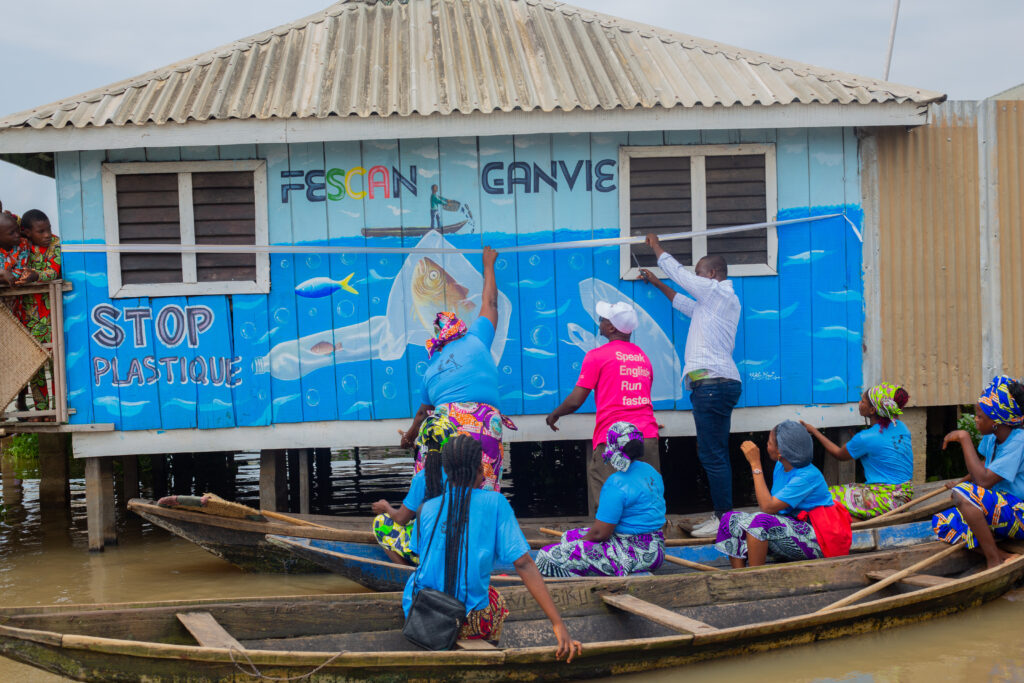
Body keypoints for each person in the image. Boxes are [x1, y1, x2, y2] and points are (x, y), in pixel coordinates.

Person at [404, 434, 582, 658]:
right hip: (464, 622)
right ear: (480, 468)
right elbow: (524, 564)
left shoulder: (426, 509)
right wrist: (558, 624)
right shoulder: (495, 502)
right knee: (496, 599)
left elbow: (424, 559)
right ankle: (484, 651)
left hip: (420, 612)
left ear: (446, 471)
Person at [640, 233, 741, 537]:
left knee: (713, 455)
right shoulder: (710, 306)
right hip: (715, 385)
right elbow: (681, 300)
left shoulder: (718, 292)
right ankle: (724, 516)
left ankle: (724, 520)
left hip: (712, 385)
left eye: (700, 274)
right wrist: (657, 283)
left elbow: (680, 276)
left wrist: (655, 246)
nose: (696, 279)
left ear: (711, 275)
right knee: (715, 453)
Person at [401, 245, 515, 492]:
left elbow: (422, 415)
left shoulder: (432, 368)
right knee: (483, 487)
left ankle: (432, 514)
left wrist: (409, 437)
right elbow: (491, 302)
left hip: (446, 423)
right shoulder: (477, 337)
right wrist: (488, 264)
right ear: (460, 327)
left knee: (434, 482)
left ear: (437, 338)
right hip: (486, 421)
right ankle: (483, 522)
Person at [545, 301, 660, 515]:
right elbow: (639, 396)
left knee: (609, 503)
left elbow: (575, 400)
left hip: (614, 439)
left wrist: (555, 414)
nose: (599, 321)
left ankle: (611, 545)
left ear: (611, 328)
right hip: (647, 436)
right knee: (647, 500)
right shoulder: (643, 358)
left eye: (603, 319)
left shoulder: (597, 356)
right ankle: (647, 545)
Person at [535, 422, 666, 577]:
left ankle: (604, 575)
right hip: (657, 549)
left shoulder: (616, 483)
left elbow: (600, 534)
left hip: (632, 553)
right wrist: (576, 541)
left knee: (545, 556)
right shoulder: (651, 471)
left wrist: (578, 544)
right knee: (568, 536)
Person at [715, 421, 851, 568]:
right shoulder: (781, 465)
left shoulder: (808, 476)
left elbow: (767, 507)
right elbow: (773, 508)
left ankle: (753, 577)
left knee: (760, 521)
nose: (767, 446)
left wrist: (755, 464)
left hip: (820, 539)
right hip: (791, 526)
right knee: (730, 519)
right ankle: (739, 576)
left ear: (780, 452)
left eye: (769, 442)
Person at [932, 375, 1024, 569]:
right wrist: (961, 483)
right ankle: (1002, 555)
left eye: (980, 416)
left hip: (1019, 514)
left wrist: (964, 438)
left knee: (966, 493)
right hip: (999, 511)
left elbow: (983, 482)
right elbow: (985, 467)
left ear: (996, 421)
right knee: (942, 522)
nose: (975, 420)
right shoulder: (993, 437)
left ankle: (993, 561)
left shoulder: (1019, 441)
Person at [802, 383, 914, 519]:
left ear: (872, 410)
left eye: (863, 401)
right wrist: (859, 442)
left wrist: (814, 431)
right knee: (842, 491)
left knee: (825, 496)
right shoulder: (901, 427)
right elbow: (884, 448)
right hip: (905, 493)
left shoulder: (866, 438)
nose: (859, 403)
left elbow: (839, 454)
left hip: (889, 500)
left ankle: (853, 523)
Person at [372, 414, 459, 565]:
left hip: (428, 552)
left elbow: (401, 518)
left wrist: (385, 507)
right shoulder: (463, 472)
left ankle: (409, 574)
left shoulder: (422, 478)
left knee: (380, 523)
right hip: (458, 548)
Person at [16, 210, 61, 412]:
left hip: (53, 315)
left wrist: (36, 276)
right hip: (29, 316)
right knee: (36, 366)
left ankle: (58, 407)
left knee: (56, 364)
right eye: (41, 231)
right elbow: (13, 221)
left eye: (49, 229)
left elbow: (54, 270)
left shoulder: (55, 245)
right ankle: (42, 410)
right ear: (27, 232)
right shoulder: (22, 246)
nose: (46, 235)